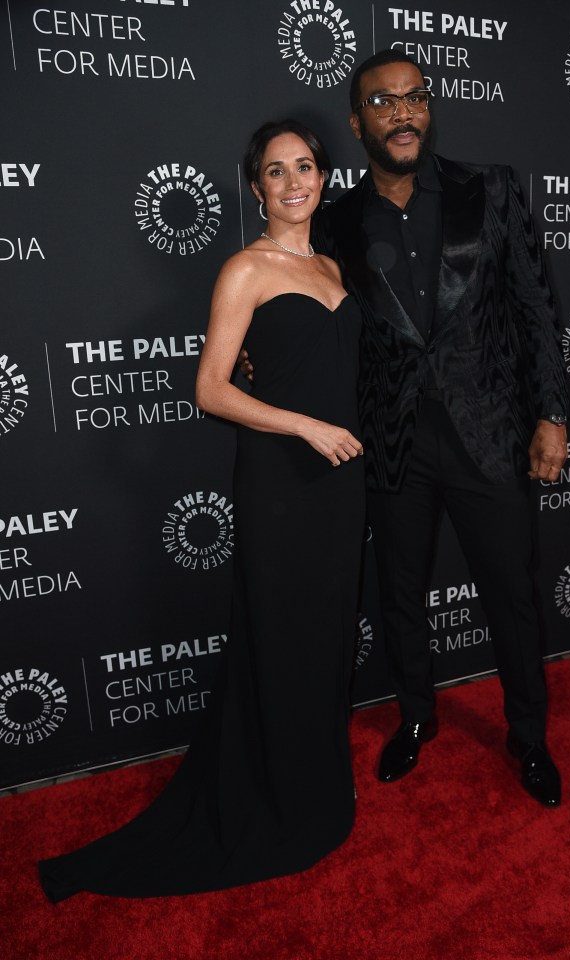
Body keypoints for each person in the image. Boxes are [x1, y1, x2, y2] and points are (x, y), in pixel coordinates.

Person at [38, 120, 365, 901]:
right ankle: (276, 804)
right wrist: (303, 424)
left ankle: (318, 791)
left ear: (323, 177)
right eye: (276, 171)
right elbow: (211, 389)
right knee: (279, 642)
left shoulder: (332, 263)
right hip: (281, 483)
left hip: (341, 484)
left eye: (306, 166)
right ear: (255, 187)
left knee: (323, 641)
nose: (294, 182)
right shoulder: (243, 270)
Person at [311, 49, 569, 808]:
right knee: (399, 592)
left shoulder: (489, 190)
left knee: (512, 598)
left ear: (429, 107)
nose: (403, 113)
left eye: (414, 97)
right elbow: (310, 319)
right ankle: (416, 718)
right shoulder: (336, 221)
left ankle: (528, 734)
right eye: (383, 103)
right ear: (358, 122)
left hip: (489, 431)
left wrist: (552, 412)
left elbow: (535, 308)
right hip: (391, 441)